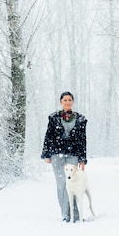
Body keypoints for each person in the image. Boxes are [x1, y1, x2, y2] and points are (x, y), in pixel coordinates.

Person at [41, 91, 87, 222]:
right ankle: (66, 214)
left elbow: (83, 139)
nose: (67, 102)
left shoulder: (80, 119)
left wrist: (82, 158)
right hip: (57, 154)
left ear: (72, 102)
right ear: (61, 102)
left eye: (69, 100)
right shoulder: (53, 118)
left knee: (73, 183)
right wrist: (46, 154)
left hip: (73, 154)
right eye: (65, 100)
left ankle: (76, 215)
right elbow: (48, 136)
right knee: (61, 184)